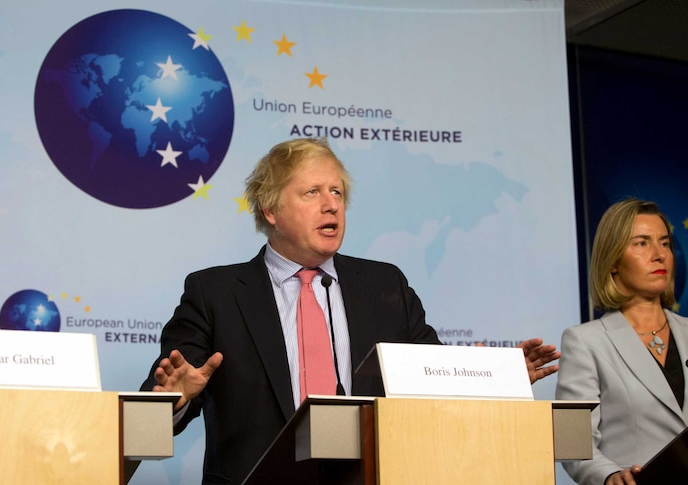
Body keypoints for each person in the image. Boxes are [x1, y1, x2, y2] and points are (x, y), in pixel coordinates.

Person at [141, 137, 560, 484]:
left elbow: (430, 378)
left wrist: (495, 380)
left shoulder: (383, 285)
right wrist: (173, 399)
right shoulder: (215, 292)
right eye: (312, 193)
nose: (332, 205)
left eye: (337, 192)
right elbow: (151, 416)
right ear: (271, 210)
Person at [556, 198, 688, 485]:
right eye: (642, 243)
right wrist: (610, 476)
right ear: (613, 261)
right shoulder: (583, 341)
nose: (659, 255)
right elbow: (569, 443)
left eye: (664, 243)